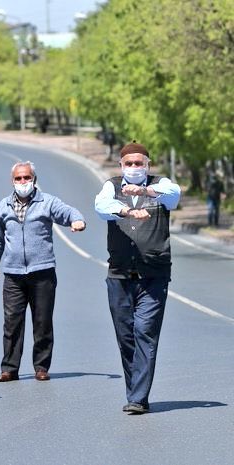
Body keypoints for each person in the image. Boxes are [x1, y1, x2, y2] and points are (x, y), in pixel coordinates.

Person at [94, 142, 181, 414]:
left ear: (148, 164)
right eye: (128, 164)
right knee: (125, 335)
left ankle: (138, 398)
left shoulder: (160, 185)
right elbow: (101, 206)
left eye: (139, 163)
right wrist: (127, 210)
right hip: (119, 274)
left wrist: (144, 191)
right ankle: (136, 392)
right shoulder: (112, 186)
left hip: (153, 275)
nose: (134, 168)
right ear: (121, 166)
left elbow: (174, 194)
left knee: (145, 332)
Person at [0, 161, 86, 384]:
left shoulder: (46, 202)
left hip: (42, 272)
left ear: (34, 180)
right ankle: (9, 368)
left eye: (27, 178)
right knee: (12, 322)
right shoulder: (4, 205)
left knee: (42, 321)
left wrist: (77, 220)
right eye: (18, 178)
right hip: (13, 274)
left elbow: (67, 212)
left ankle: (41, 366)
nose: (23, 182)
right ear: (12, 181)